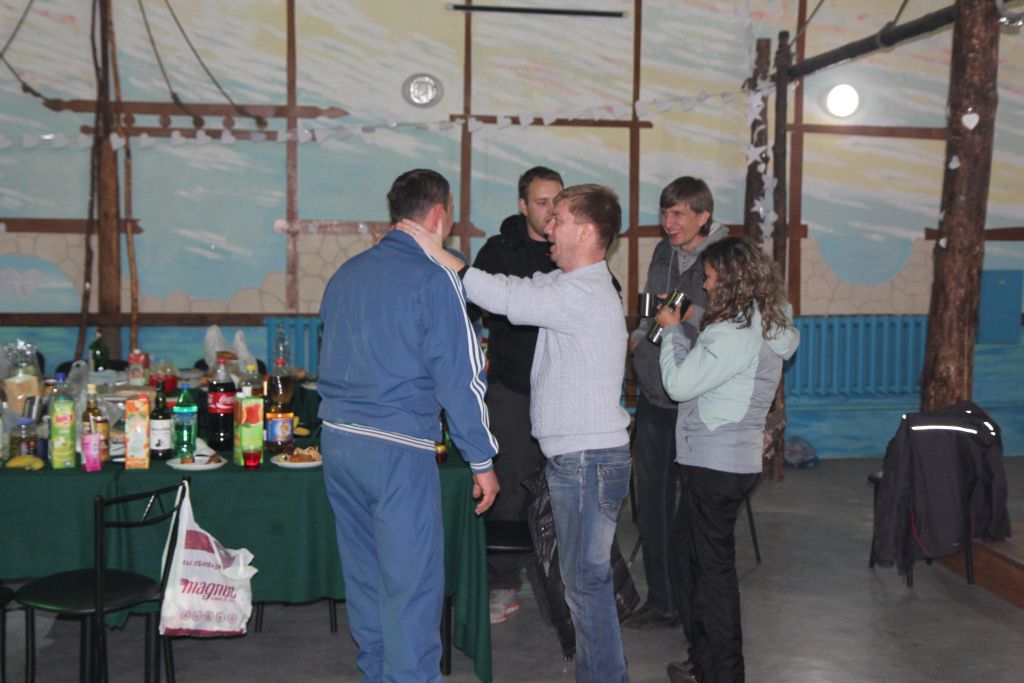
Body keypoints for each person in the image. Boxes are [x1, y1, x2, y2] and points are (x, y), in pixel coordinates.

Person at [399, 184, 633, 683]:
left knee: (586, 586)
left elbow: (504, 296)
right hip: (581, 459)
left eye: (560, 219)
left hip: (588, 460)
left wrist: (435, 250)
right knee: (583, 585)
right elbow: (514, 285)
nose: (549, 226)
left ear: (586, 231)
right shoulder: (566, 283)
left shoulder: (584, 292)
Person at [317, 169, 500, 683]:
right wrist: (481, 459)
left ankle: (378, 673)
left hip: (338, 441)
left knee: (367, 577)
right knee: (412, 585)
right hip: (396, 447)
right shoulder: (434, 278)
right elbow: (461, 378)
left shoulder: (345, 275)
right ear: (439, 214)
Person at [655, 236, 799, 683]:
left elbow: (679, 384)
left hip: (714, 464)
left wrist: (672, 330)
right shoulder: (767, 321)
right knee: (687, 556)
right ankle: (704, 661)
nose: (707, 286)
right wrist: (691, 318)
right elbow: (728, 348)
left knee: (712, 574)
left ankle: (722, 673)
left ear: (733, 281)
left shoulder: (731, 334)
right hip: (731, 462)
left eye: (712, 278)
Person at [626, 177, 728, 630]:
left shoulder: (728, 257)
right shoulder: (663, 253)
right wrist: (638, 337)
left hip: (701, 400)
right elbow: (652, 309)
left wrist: (687, 316)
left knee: (698, 511)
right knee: (651, 503)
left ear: (703, 216)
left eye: (679, 214)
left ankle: (696, 604)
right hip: (656, 393)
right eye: (665, 213)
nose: (668, 223)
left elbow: (734, 323)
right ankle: (662, 601)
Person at [473, 165, 563, 624]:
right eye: (542, 202)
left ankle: (562, 585)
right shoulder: (498, 250)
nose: (551, 211)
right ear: (524, 205)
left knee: (560, 492)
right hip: (512, 389)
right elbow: (469, 304)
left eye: (557, 201)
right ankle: (503, 582)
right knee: (507, 489)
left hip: (563, 391)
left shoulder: (572, 247)